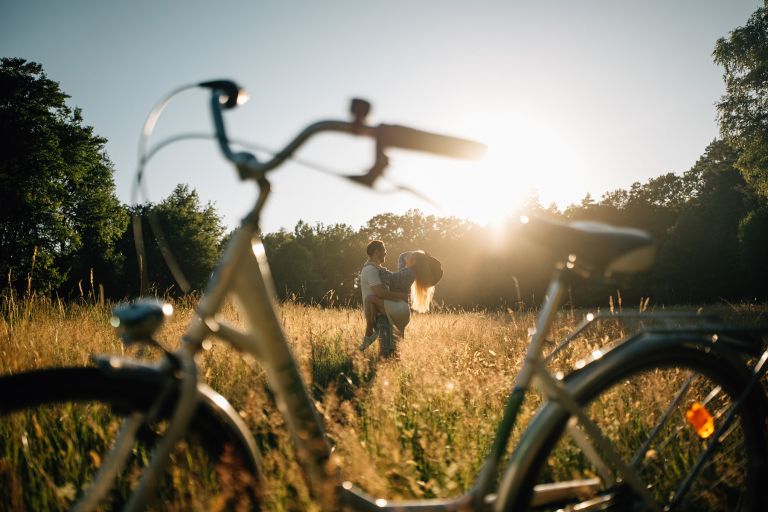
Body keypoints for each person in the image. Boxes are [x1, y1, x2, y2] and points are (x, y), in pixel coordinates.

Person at [359, 241, 443, 355]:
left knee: (369, 298)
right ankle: (375, 340)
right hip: (396, 308)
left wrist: (422, 256)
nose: (386, 252)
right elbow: (402, 256)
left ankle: (369, 333)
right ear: (376, 252)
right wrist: (422, 256)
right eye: (384, 249)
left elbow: (382, 291)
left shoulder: (407, 272)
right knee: (393, 348)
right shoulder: (399, 270)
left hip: (397, 309)